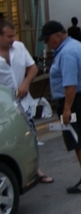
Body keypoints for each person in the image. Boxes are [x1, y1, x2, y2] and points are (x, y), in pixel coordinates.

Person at [39, 21, 81, 193]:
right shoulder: (77, 45)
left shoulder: (66, 53)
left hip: (76, 100)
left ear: (57, 36)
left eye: (47, 39)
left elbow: (70, 85)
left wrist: (67, 109)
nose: (46, 44)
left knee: (79, 140)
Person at [0, 20, 53, 183]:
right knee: (10, 141)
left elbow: (33, 68)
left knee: (30, 136)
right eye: (9, 36)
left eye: (13, 35)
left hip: (23, 102)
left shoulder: (20, 47)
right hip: (5, 106)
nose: (12, 39)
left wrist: (25, 83)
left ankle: (35, 169)